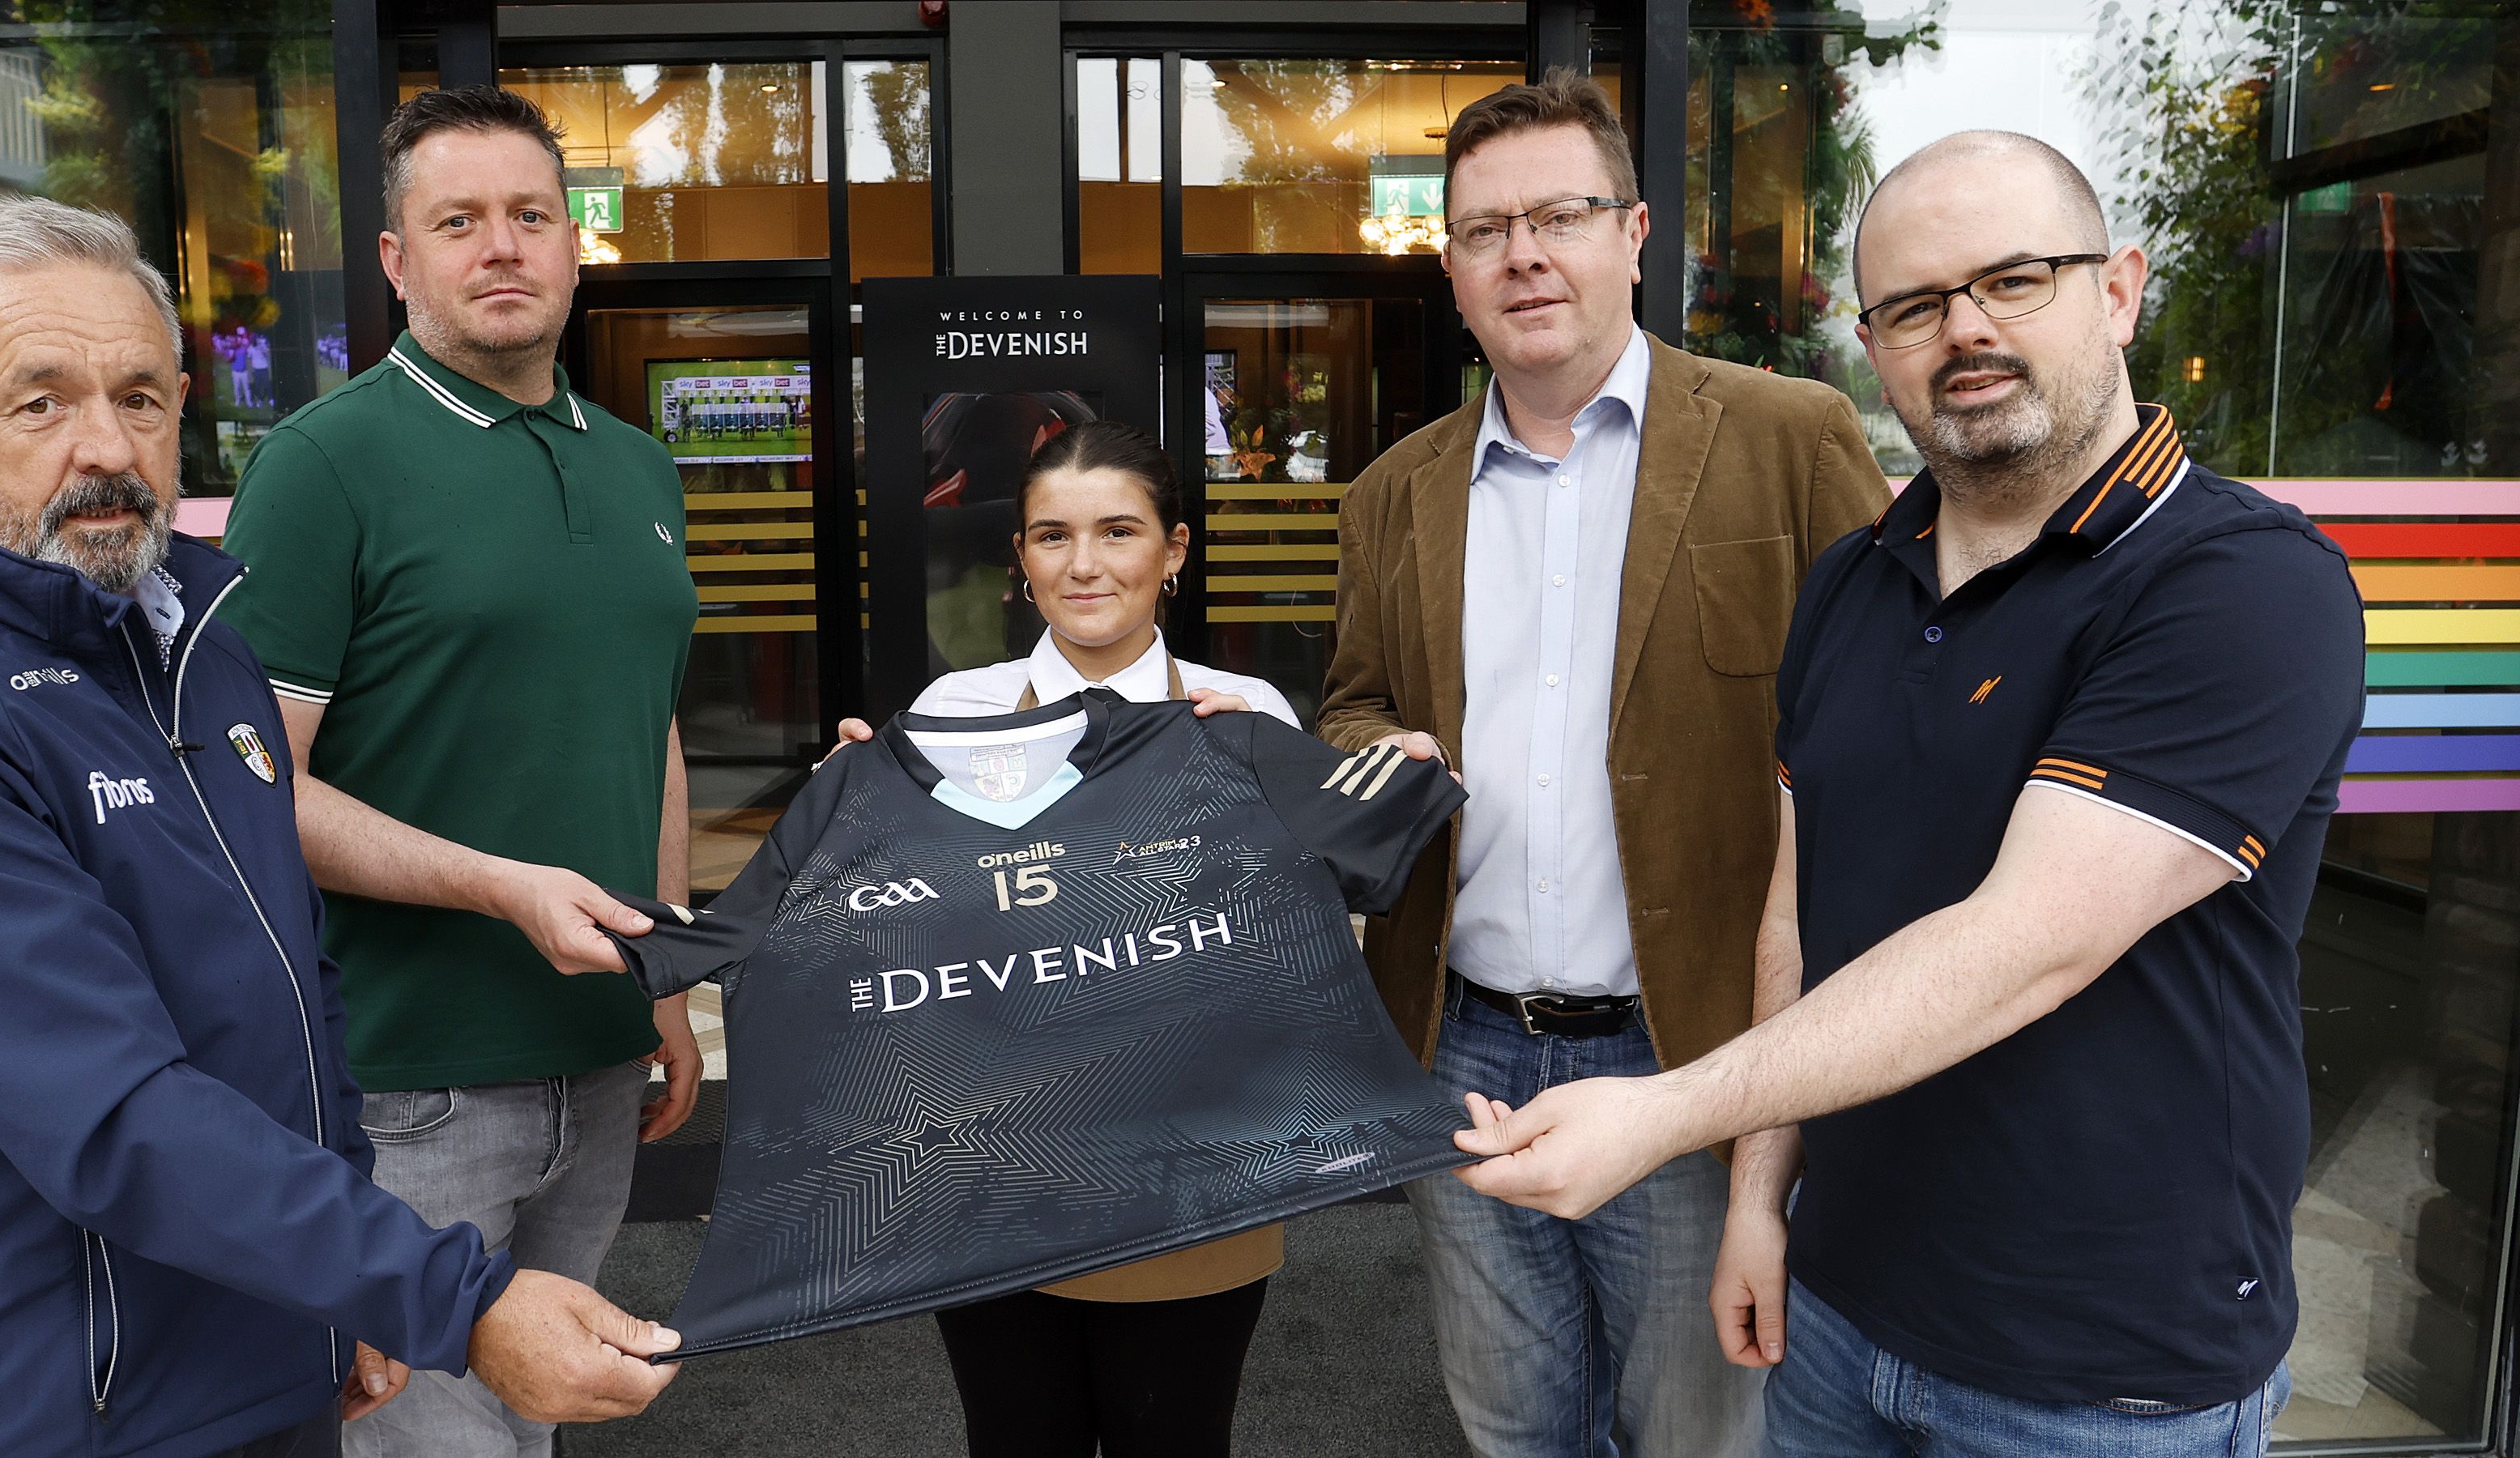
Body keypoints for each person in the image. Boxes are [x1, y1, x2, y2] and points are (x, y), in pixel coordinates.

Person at [1445, 132, 2364, 1456]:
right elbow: (1793, 914)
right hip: (1840, 1315)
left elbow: (2028, 943)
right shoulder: (1853, 583)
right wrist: (1764, 1198)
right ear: (1875, 348)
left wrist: (1666, 1112)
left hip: (2100, 1374)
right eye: (1917, 306)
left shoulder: (2240, 587)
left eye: (2014, 280)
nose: (1966, 331)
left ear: (2117, 290)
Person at [0, 196, 676, 1458]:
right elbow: (114, 1116)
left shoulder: (199, 649)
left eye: (140, 397)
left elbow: (297, 991)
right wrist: (450, 1296)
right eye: (41, 401)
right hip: (63, 1405)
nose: (103, 447)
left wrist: (349, 1286)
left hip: (270, 1360)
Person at [1315, 74, 1892, 1457]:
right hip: (1461, 1045)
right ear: (1448, 268)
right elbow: (1349, 704)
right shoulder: (1393, 490)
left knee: (1700, 1432)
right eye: (1482, 230)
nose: (1524, 253)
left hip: (1695, 1051)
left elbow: (1893, 707)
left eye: (1560, 215)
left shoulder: (1787, 436)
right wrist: (1372, 756)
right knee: (1516, 1427)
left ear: (1634, 233)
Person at [216, 85, 701, 1458]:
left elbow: (645, 728)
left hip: (597, 1058)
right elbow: (256, 788)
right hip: (411, 1083)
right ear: (397, 261)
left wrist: (661, 981)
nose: (502, 247)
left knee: (531, 1425)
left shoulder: (641, 469)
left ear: (574, 244)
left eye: (531, 216)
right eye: (459, 220)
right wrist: (497, 888)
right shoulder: (326, 464)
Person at [834, 420, 1290, 1456]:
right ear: (1020, 560)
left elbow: (1293, 964)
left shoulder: (1246, 715)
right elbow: (905, 940)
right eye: (1051, 536)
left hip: (1195, 1174)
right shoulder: (953, 714)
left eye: (1119, 531)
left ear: (1175, 551)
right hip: (998, 1174)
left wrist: (1276, 794)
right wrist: (846, 829)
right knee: (1014, 1437)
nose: (1083, 566)